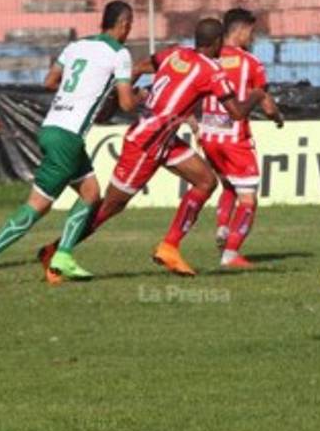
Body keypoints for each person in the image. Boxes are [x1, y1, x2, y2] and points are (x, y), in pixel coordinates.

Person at [36, 17, 267, 281]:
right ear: (216, 43)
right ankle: (54, 251)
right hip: (146, 143)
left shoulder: (176, 53)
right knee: (109, 207)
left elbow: (142, 66)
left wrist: (128, 91)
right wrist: (257, 94)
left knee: (205, 181)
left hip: (164, 138)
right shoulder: (212, 71)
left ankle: (169, 247)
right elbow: (237, 113)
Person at [0, 2, 139, 285]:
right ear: (123, 24)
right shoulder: (119, 54)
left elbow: (50, 81)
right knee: (38, 205)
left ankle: (62, 256)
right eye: (129, 25)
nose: (129, 31)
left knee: (90, 193)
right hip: (68, 136)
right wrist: (141, 98)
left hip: (52, 127)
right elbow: (125, 102)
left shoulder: (76, 46)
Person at [198, 8, 284, 269]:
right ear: (241, 29)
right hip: (235, 139)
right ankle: (231, 253)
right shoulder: (250, 63)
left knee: (228, 185)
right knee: (248, 198)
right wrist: (277, 117)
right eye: (252, 32)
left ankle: (223, 228)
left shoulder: (207, 59)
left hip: (209, 134)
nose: (252, 38)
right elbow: (267, 106)